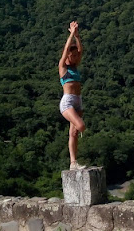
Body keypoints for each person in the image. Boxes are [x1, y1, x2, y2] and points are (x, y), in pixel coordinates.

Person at [59, 21, 87, 170]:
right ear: (68, 56)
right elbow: (65, 49)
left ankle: (73, 162)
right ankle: (73, 162)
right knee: (81, 126)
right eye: (72, 55)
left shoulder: (75, 67)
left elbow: (81, 49)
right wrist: (70, 35)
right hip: (68, 102)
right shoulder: (63, 68)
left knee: (74, 134)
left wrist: (77, 36)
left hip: (78, 101)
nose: (75, 57)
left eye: (76, 55)